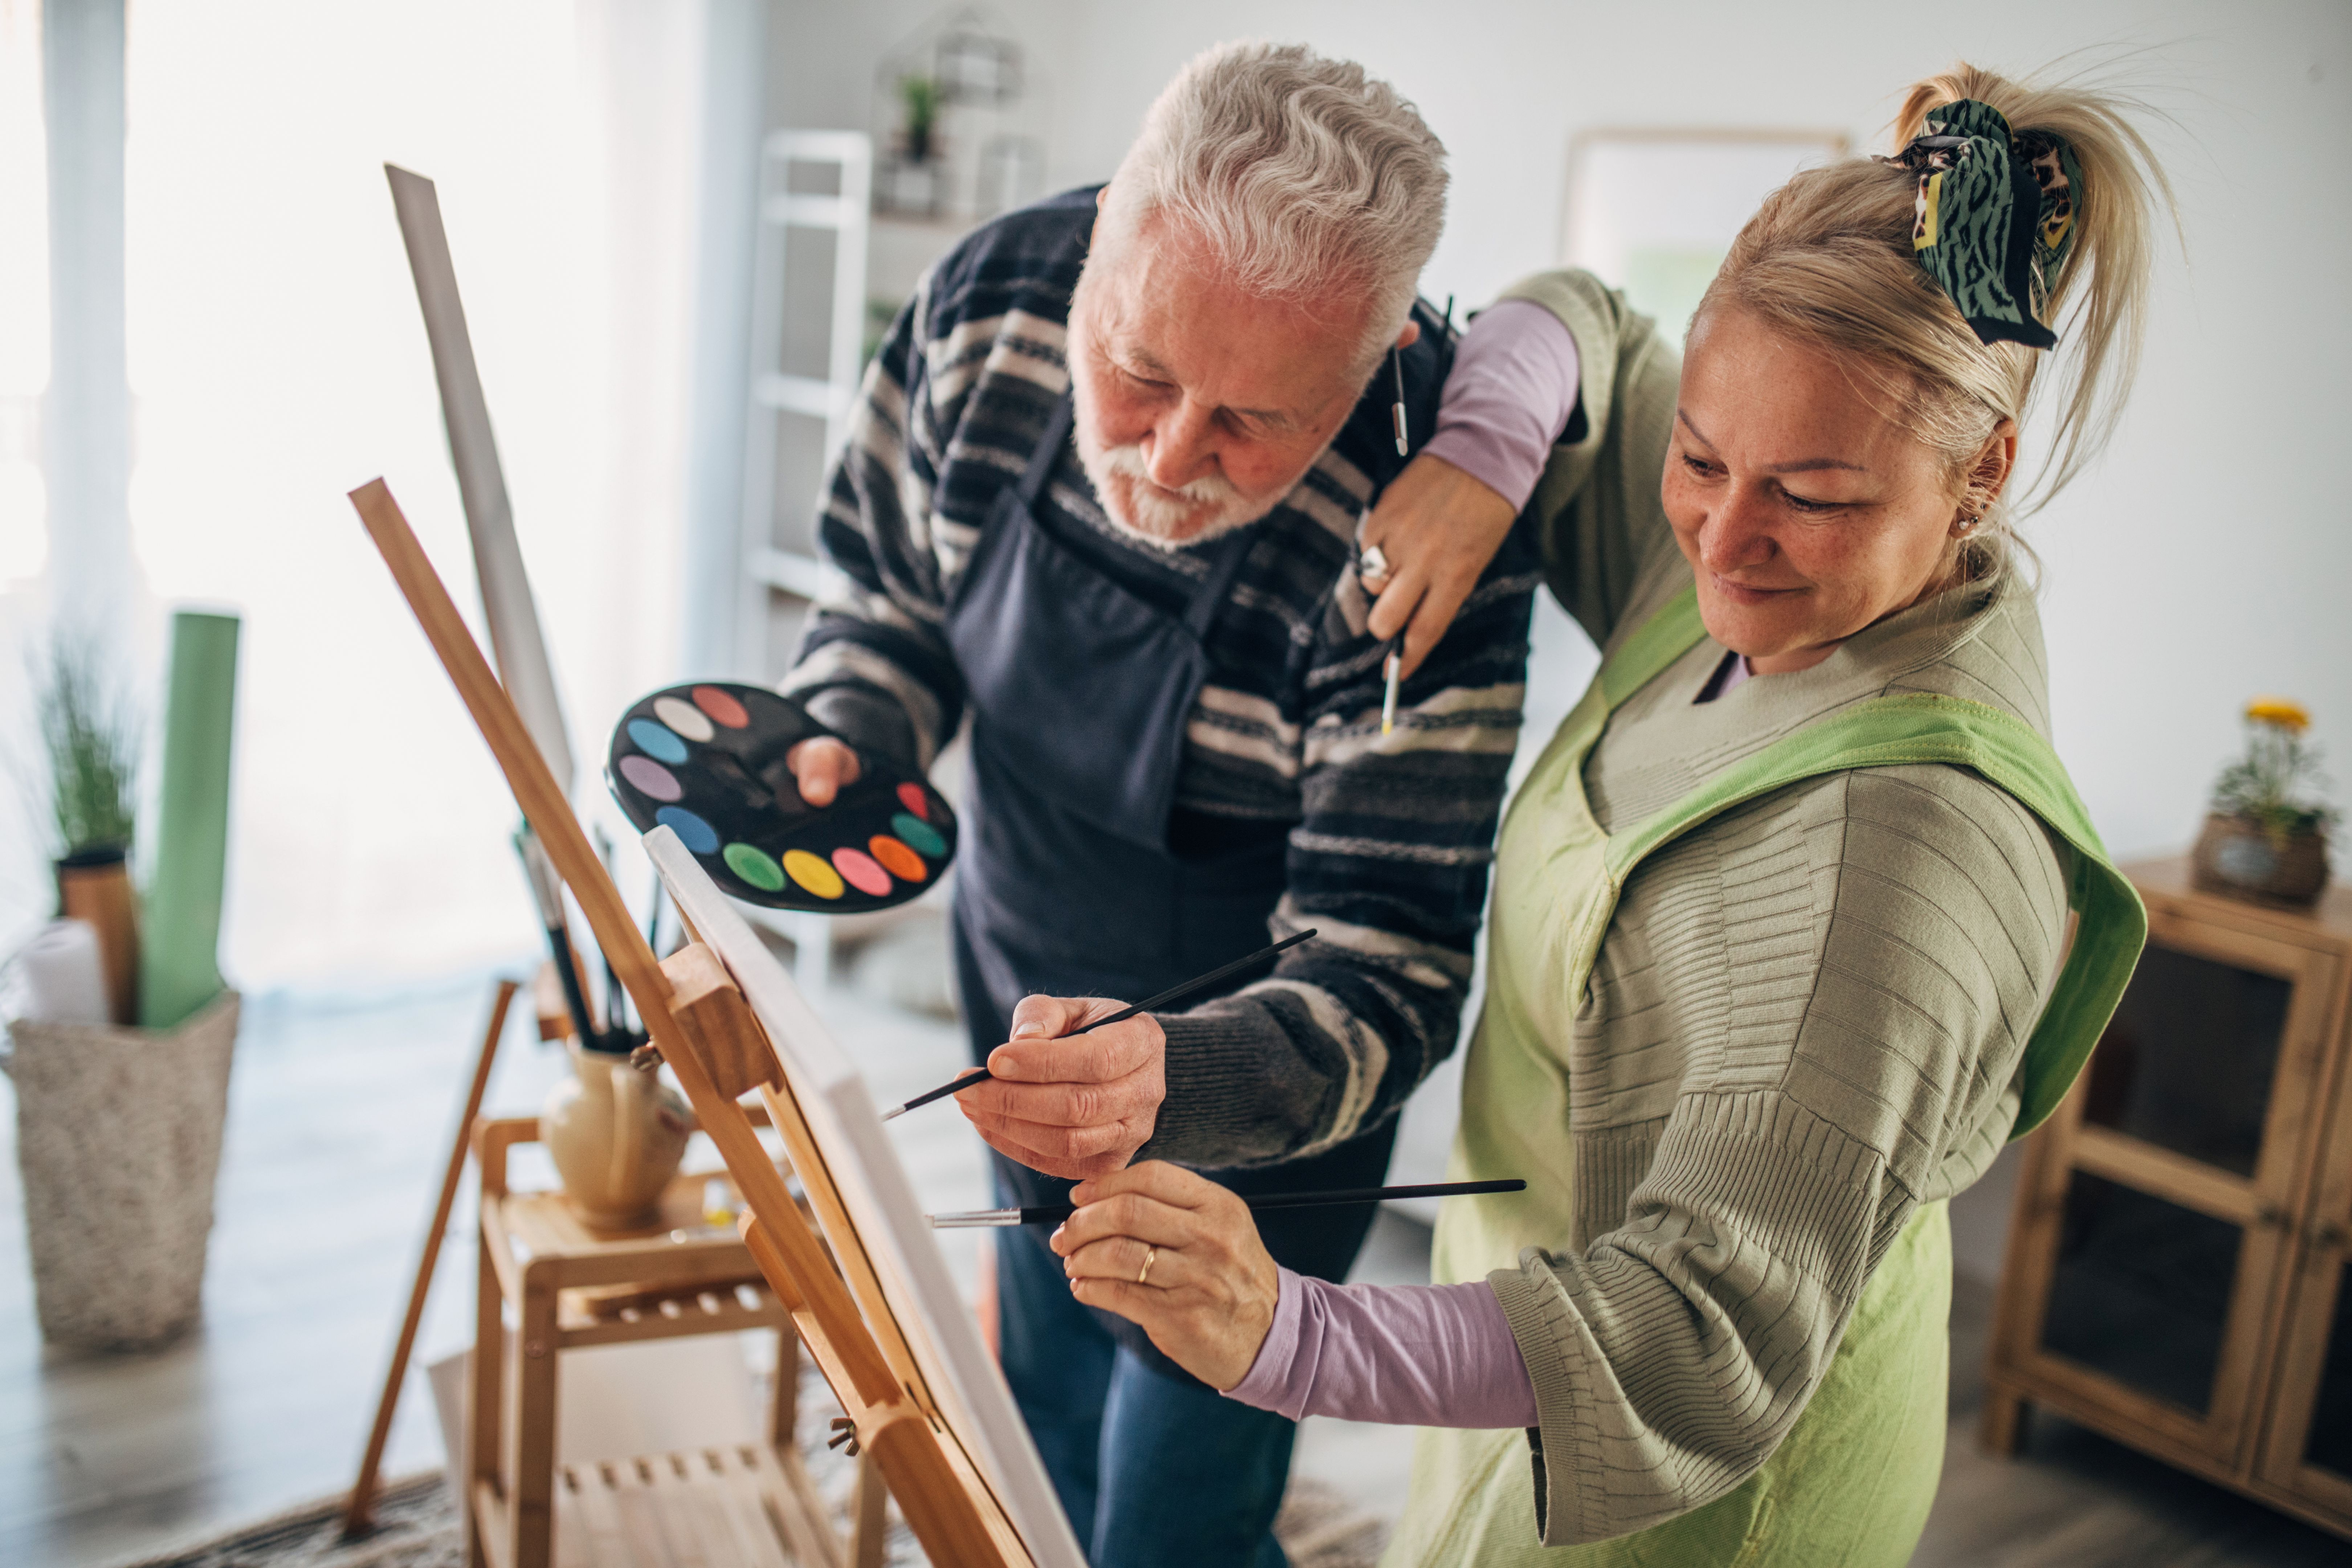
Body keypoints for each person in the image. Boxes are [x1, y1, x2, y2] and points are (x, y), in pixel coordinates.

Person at [1040, 63, 2163, 1564]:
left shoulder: (1902, 858)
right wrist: (1480, 462)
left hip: (1689, 1468)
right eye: (1699, 458)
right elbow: (1574, 310)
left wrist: (1283, 1334)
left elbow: (1700, 1330)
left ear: (1983, 476)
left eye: (1813, 496)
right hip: (1521, 1328)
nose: (1728, 540)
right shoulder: (1733, 566)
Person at [774, 41, 1545, 1565]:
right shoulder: (994, 298)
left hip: (1263, 1121)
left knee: (1172, 1529)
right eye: (1139, 374)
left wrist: (1164, 1085)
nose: (1173, 460)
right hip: (1017, 1002)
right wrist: (859, 730)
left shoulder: (1420, 531)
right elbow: (884, 590)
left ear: (1379, 356)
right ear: (1107, 229)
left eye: (1257, 422)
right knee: (1034, 1449)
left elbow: (1389, 965)